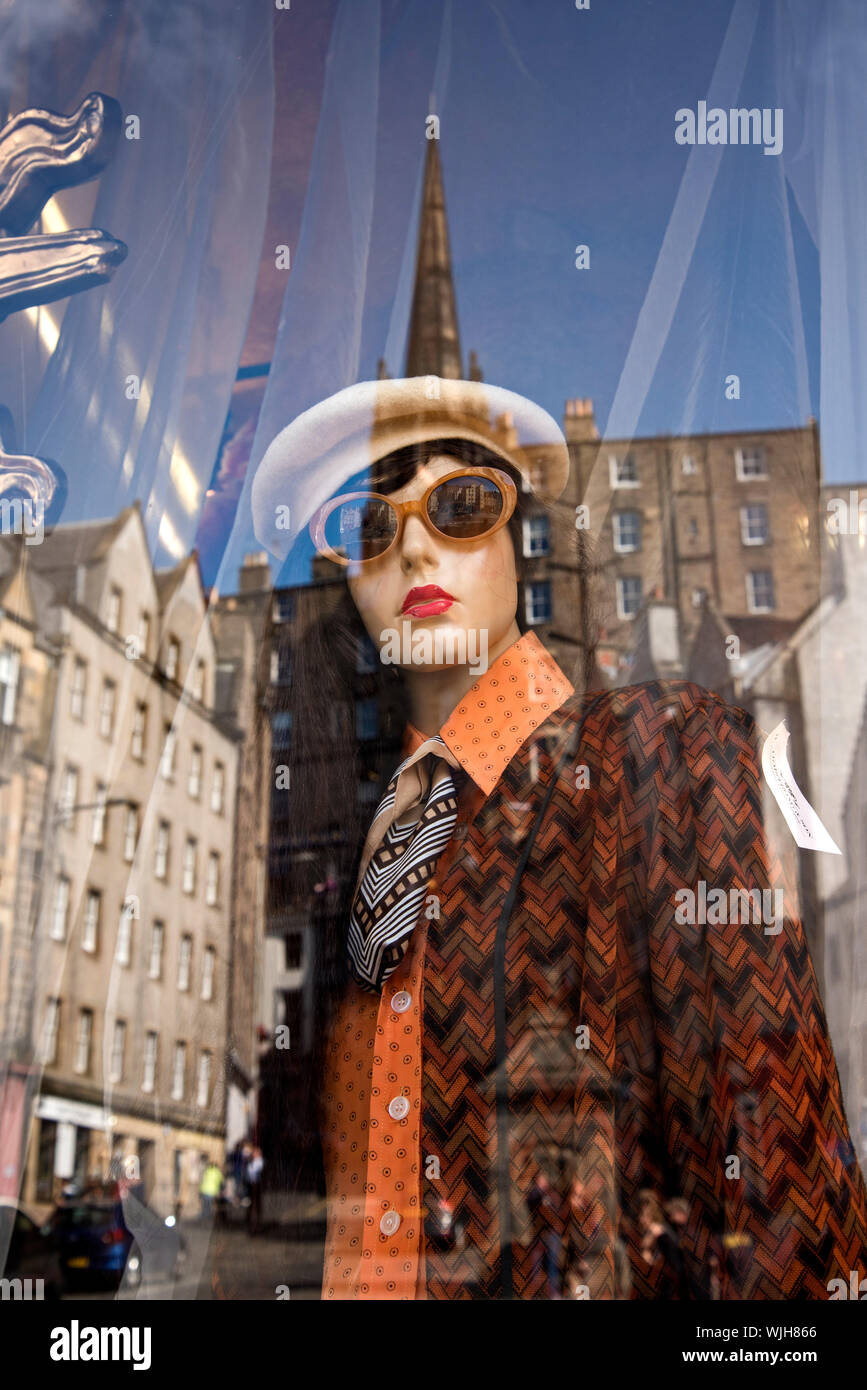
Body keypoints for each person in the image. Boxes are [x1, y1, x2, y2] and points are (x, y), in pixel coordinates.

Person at [253, 375, 867, 1300]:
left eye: (461, 506)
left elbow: (788, 1224)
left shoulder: (661, 756)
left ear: (518, 543)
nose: (411, 541)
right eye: (368, 527)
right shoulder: (377, 850)